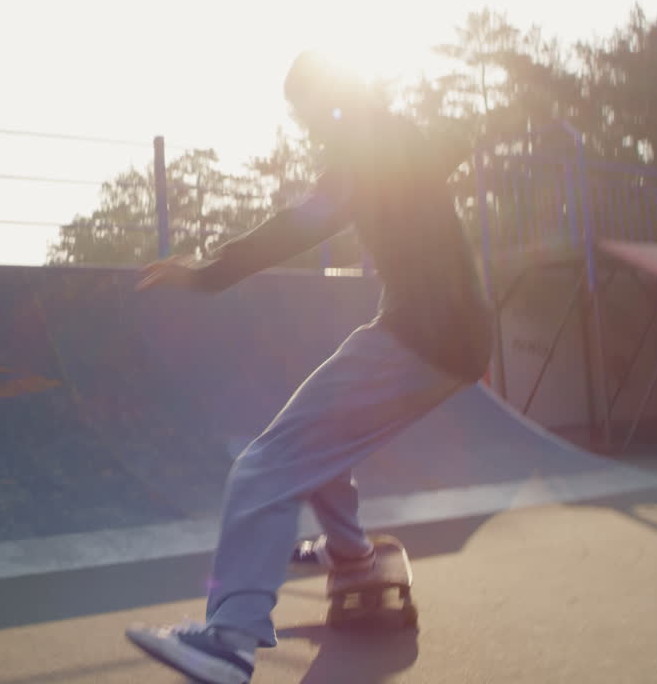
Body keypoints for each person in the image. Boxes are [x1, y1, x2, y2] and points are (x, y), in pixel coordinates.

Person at [125, 50, 494, 684]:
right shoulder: (397, 140)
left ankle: (230, 640)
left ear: (334, 99)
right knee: (319, 441)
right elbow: (449, 143)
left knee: (266, 466)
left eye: (311, 114)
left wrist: (207, 274)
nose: (311, 128)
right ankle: (350, 556)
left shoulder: (370, 151)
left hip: (420, 334)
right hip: (451, 338)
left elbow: (297, 226)